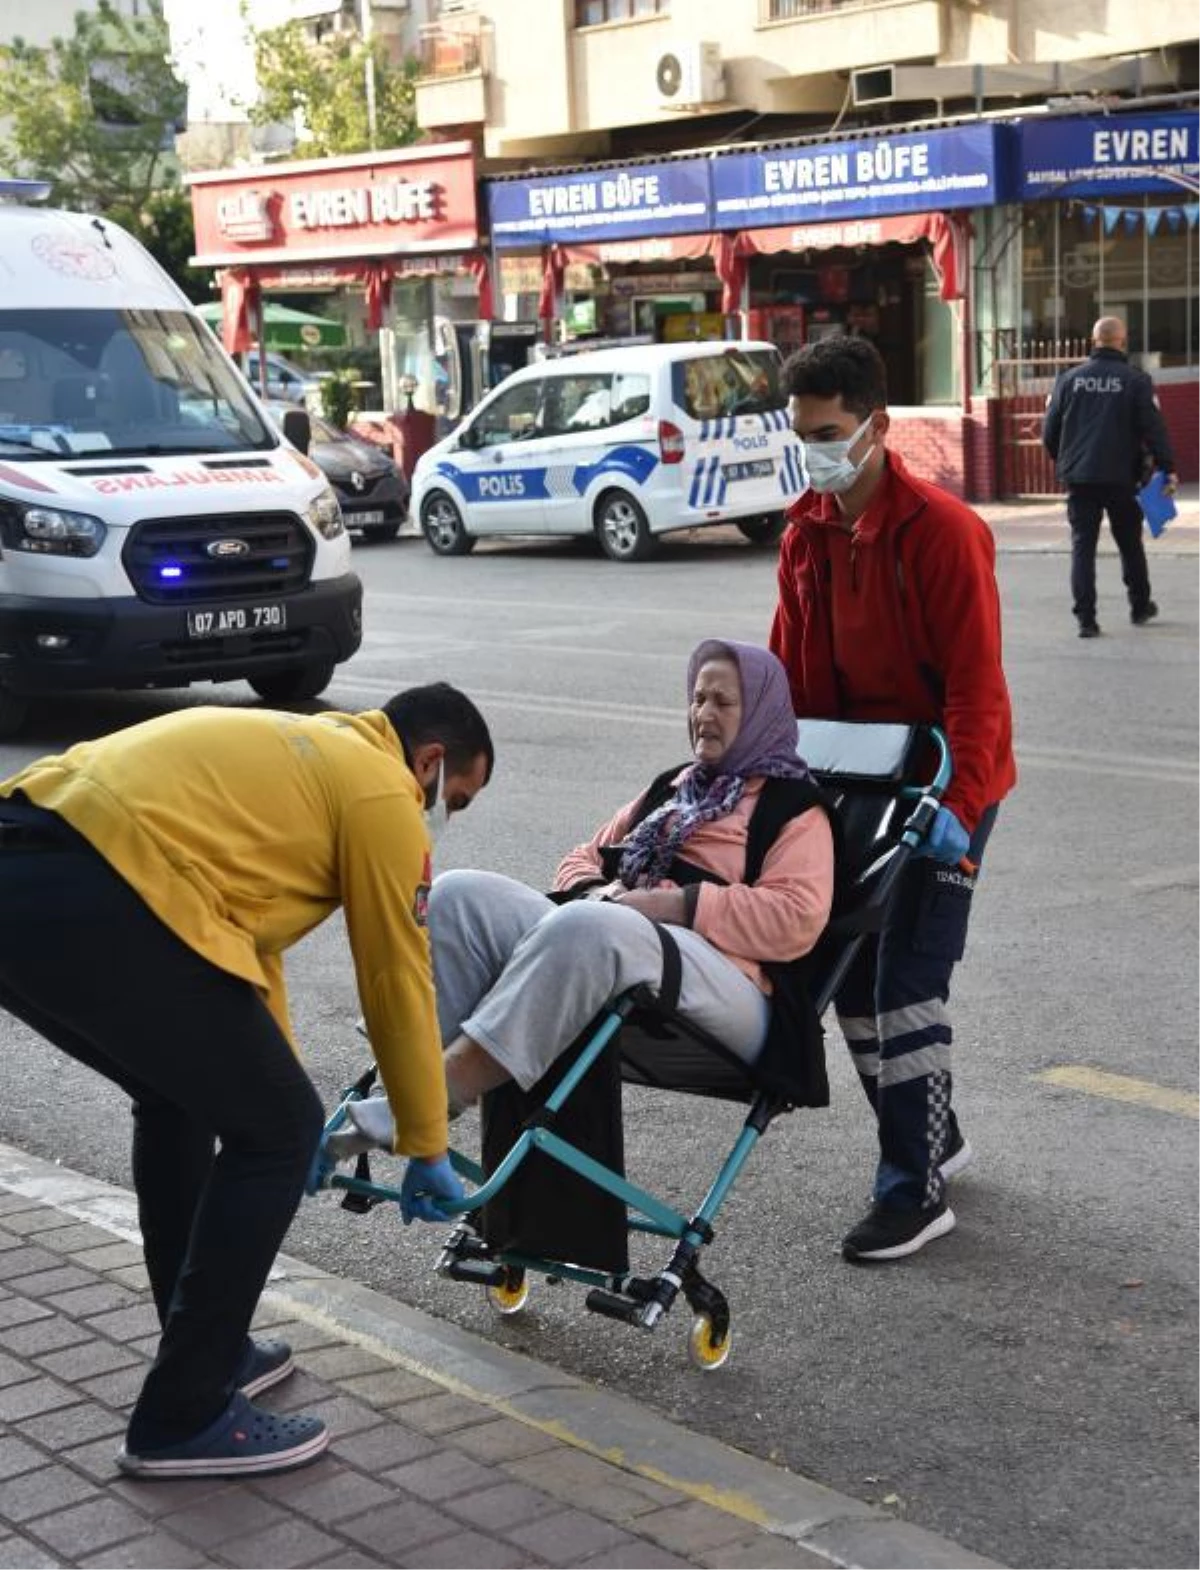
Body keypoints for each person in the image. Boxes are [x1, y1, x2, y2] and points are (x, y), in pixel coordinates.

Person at [0, 684, 492, 1480]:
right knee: (278, 1127)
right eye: (456, 798)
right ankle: (184, 1413)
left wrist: (268, 1097)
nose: (446, 815)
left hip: (27, 865)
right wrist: (424, 1137)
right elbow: (397, 976)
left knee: (186, 1103)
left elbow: (239, 958)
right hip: (100, 885)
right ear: (430, 760)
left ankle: (206, 1350)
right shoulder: (381, 793)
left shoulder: (304, 751)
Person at [332, 640, 834, 1153]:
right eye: (697, 699)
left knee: (592, 926)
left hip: (737, 990)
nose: (704, 714)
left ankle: (439, 1096)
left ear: (760, 714)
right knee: (456, 895)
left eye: (723, 703)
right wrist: (599, 891)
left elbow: (797, 919)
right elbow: (581, 858)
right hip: (621, 942)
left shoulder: (795, 809)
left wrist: (675, 905)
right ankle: (408, 1076)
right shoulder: (674, 788)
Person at [771, 334, 1016, 1264]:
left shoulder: (946, 533)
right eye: (803, 436)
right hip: (855, 780)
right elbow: (791, 680)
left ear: (877, 427)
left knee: (908, 978)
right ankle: (932, 1132)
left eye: (830, 433)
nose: (817, 452)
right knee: (847, 983)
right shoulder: (806, 533)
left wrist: (955, 810)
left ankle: (913, 1190)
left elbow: (976, 691)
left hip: (950, 778)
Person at [1042, 315, 1178, 638]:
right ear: (1123, 340)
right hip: (1122, 476)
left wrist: (1064, 461)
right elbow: (1153, 428)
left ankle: (1086, 619)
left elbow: (1050, 431)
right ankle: (1140, 605)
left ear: (1094, 341)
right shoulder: (1135, 381)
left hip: (1080, 478)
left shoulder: (1068, 379)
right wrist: (1166, 466)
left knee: (1082, 547)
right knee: (1130, 543)